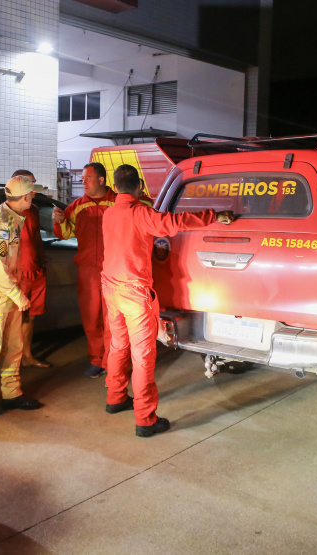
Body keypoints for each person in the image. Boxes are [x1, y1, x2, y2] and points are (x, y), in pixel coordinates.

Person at [101, 164, 234, 437]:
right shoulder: (141, 213)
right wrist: (215, 215)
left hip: (111, 290)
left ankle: (115, 397)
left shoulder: (109, 213)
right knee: (143, 356)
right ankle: (146, 420)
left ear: (114, 188)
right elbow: (175, 223)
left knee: (117, 345)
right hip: (135, 294)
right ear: (139, 187)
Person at [0, 175, 44, 416]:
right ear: (24, 197)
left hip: (7, 296)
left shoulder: (11, 218)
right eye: (32, 193)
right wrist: (19, 295)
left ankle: (12, 394)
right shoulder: (2, 225)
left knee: (13, 346)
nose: (34, 197)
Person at [52, 162, 116, 379]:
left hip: (114, 270)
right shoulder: (78, 205)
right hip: (88, 271)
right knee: (91, 317)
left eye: (88, 178)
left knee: (113, 319)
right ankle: (97, 360)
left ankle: (112, 361)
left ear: (101, 180)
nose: (83, 182)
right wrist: (59, 221)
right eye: (83, 178)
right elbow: (64, 233)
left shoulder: (119, 203)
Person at [11, 169, 50, 368]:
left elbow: (36, 237)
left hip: (36, 271)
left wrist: (41, 261)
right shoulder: (8, 212)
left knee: (31, 318)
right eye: (31, 184)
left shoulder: (33, 209)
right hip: (19, 273)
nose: (34, 188)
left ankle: (27, 355)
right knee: (15, 319)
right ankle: (12, 361)